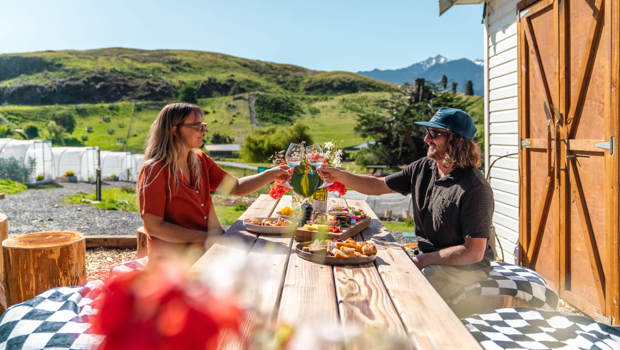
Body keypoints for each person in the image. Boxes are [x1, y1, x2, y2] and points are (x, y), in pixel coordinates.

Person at [318, 107, 495, 304]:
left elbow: (473, 252)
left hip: (464, 268)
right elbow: (379, 185)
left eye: (435, 133)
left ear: (457, 141)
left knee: (400, 294)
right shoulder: (424, 168)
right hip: (428, 257)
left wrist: (423, 260)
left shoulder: (475, 189)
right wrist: (340, 175)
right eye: (427, 132)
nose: (427, 139)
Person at [137, 102, 289, 258]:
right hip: (175, 262)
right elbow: (154, 227)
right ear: (175, 130)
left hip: (207, 250)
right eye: (197, 127)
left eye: (203, 126)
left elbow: (236, 186)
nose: (203, 131)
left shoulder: (200, 160)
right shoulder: (154, 170)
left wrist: (271, 174)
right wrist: (207, 238)